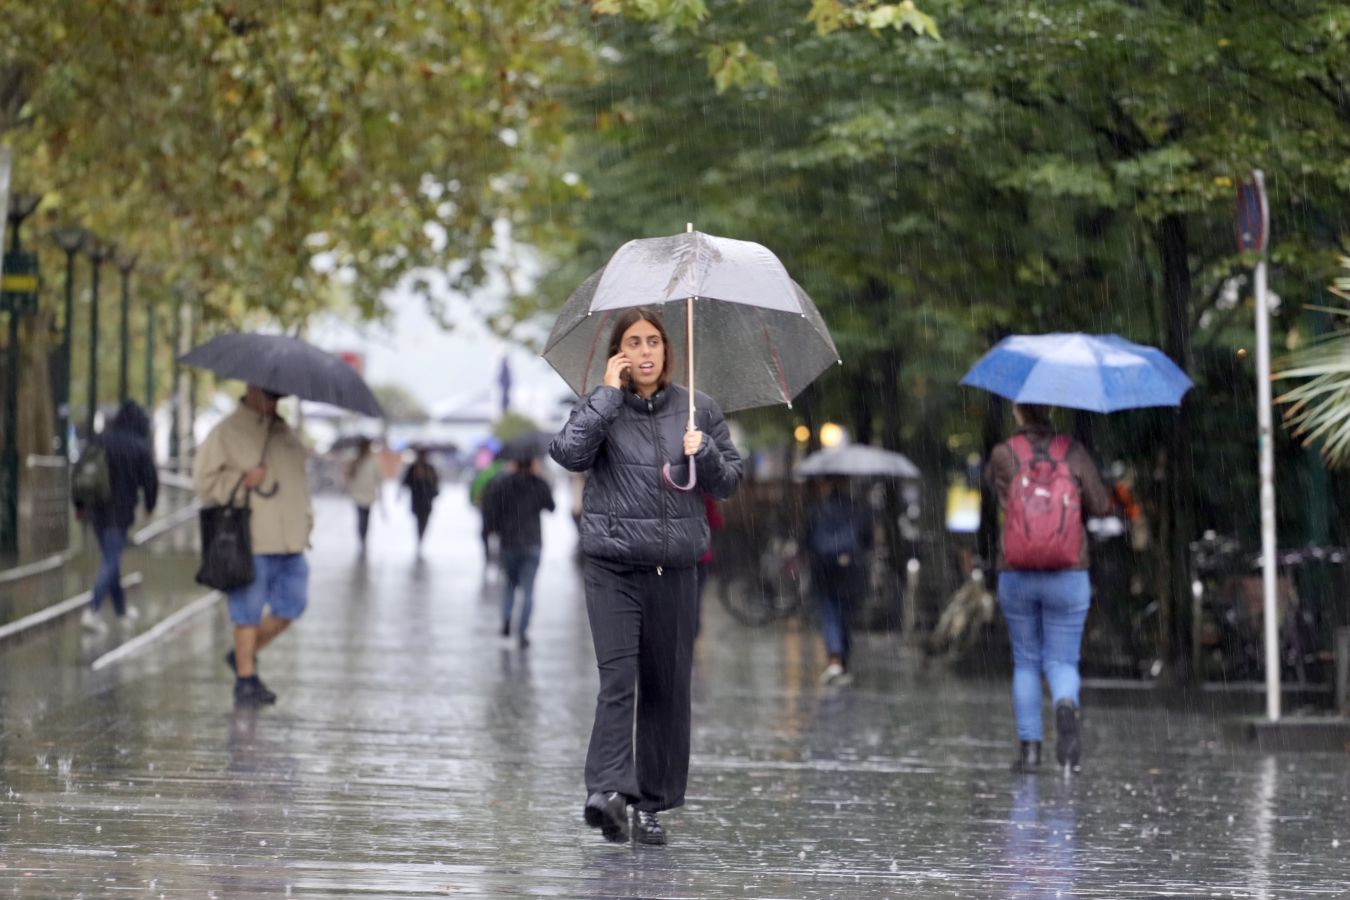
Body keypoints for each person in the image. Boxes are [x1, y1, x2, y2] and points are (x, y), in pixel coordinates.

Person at [550, 307, 743, 847]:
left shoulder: (698, 408)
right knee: (618, 681)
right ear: (618, 354)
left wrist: (702, 451)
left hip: (676, 569)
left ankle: (652, 805)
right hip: (612, 567)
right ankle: (607, 792)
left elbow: (729, 483)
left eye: (653, 341)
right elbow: (568, 453)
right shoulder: (601, 405)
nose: (644, 352)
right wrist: (606, 399)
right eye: (632, 342)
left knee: (666, 690)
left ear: (667, 349)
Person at [986, 402, 1111, 774]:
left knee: (1025, 661)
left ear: (1017, 411)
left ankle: (1030, 752)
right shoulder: (1072, 451)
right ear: (1052, 408)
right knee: (1063, 660)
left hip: (1017, 571)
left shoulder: (1003, 454)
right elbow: (1102, 504)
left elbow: (1003, 504)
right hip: (1069, 571)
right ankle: (1065, 703)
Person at [194, 385, 313, 707]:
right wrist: (241, 479)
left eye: (280, 396)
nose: (276, 401)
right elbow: (203, 481)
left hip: (292, 541)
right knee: (246, 613)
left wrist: (307, 522)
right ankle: (245, 681)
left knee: (292, 604)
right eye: (271, 395)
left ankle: (242, 656)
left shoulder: (284, 431)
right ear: (252, 390)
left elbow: (298, 481)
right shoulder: (226, 431)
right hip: (252, 538)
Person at [76, 401, 158, 632]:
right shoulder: (139, 447)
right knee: (111, 560)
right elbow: (150, 480)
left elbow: (82, 471)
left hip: (96, 510)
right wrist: (149, 505)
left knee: (110, 558)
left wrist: (80, 504)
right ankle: (92, 609)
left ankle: (121, 610)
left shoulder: (100, 440)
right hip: (119, 512)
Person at [480, 454, 555, 647]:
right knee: (528, 590)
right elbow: (551, 507)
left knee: (510, 585)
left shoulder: (503, 484)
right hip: (532, 543)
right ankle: (522, 632)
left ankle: (506, 619)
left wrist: (493, 533)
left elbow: (493, 512)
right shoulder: (538, 484)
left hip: (509, 544)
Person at [805, 477, 871, 686]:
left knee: (829, 609)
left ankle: (834, 656)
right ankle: (842, 659)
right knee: (846, 613)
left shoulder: (817, 509)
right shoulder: (858, 509)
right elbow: (866, 539)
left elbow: (807, 537)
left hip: (824, 566)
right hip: (850, 566)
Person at [693, 494, 723, 637]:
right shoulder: (703, 496)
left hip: (688, 558)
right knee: (696, 597)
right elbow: (717, 522)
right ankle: (694, 628)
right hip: (701, 557)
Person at [400, 447, 440, 551]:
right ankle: (419, 538)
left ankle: (421, 538)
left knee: (425, 521)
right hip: (417, 499)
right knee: (419, 521)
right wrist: (416, 478)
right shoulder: (413, 468)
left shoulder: (430, 469)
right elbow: (405, 482)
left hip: (427, 500)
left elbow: (436, 484)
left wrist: (427, 478)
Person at [347, 438, 381, 551]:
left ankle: (364, 537)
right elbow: (350, 476)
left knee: (366, 518)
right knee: (361, 518)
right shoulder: (356, 461)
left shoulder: (373, 461)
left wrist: (381, 494)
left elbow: (378, 478)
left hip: (369, 494)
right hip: (358, 494)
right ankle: (362, 538)